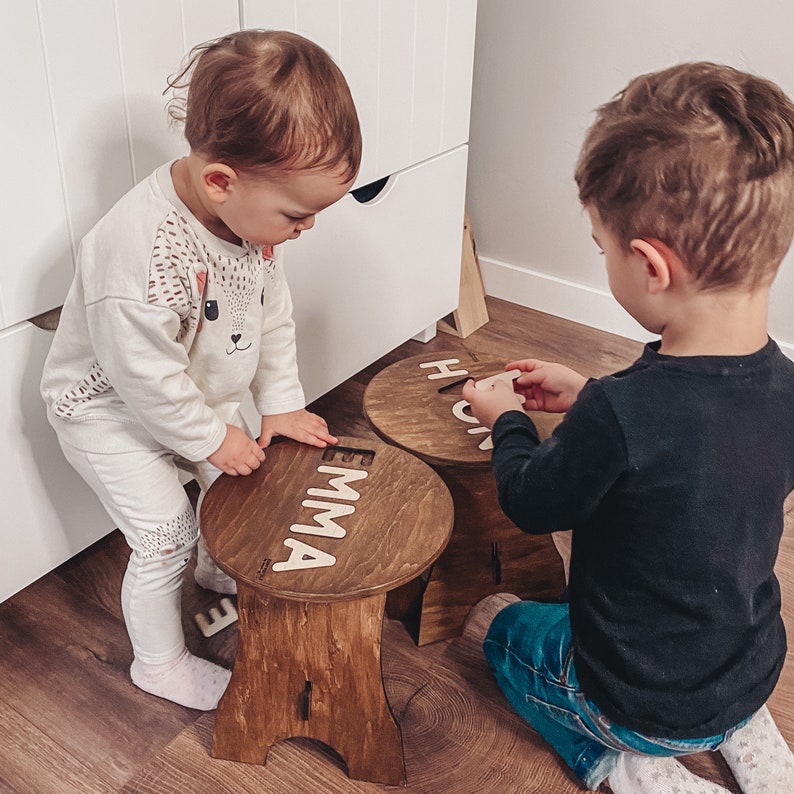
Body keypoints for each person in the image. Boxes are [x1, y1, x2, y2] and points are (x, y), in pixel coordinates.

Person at [462, 62, 794, 793]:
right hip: (749, 663)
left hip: (634, 698)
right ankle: (750, 735)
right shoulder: (786, 390)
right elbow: (699, 449)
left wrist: (508, 422)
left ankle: (625, 769)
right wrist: (590, 397)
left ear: (648, 265)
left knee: (499, 630)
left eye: (600, 245)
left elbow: (530, 501)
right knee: (716, 652)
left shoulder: (623, 414)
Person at [41, 30, 361, 711]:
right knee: (166, 535)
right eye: (297, 216)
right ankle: (158, 663)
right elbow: (142, 377)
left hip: (184, 391)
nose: (306, 231)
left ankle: (220, 570)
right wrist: (211, 437)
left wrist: (279, 403)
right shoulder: (138, 257)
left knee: (236, 484)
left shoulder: (248, 225)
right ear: (221, 181)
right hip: (107, 410)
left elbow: (272, 316)